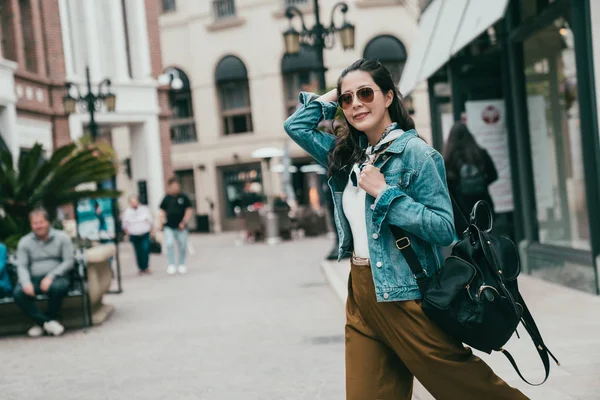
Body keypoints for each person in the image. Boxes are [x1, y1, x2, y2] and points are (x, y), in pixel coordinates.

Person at [283, 58, 527, 400]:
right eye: (347, 98)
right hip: (361, 294)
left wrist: (386, 194)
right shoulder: (348, 155)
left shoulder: (417, 154)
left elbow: (444, 229)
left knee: (470, 389)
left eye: (366, 93)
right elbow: (297, 126)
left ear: (387, 97)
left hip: (406, 294)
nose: (356, 104)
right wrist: (331, 95)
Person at [13, 208, 74, 337]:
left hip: (57, 277)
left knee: (57, 288)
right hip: (34, 278)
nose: (38, 226)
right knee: (18, 293)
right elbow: (22, 266)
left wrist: (51, 277)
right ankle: (47, 323)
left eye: (41, 222)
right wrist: (26, 283)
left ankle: (43, 323)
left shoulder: (62, 237)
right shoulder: (25, 242)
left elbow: (69, 261)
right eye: (35, 223)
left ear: (48, 223)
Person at [443, 122, 498, 235]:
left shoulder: (448, 158)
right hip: (482, 204)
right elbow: (493, 175)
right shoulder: (480, 153)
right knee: (486, 238)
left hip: (461, 208)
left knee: (467, 243)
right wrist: (480, 184)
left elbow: (447, 184)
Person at [159, 177, 193, 275]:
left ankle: (181, 264)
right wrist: (160, 223)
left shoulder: (183, 197)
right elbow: (162, 211)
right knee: (169, 244)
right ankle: (171, 264)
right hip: (169, 226)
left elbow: (189, 210)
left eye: (177, 186)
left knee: (182, 245)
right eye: (173, 186)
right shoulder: (166, 198)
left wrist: (184, 221)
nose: (175, 188)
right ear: (169, 187)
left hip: (181, 226)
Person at [122, 195, 153, 275]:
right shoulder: (127, 212)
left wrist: (152, 230)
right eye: (132, 202)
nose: (134, 204)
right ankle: (140, 268)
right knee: (138, 251)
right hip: (134, 234)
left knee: (145, 249)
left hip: (144, 232)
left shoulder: (144, 209)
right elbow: (124, 224)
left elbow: (150, 221)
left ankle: (146, 267)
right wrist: (127, 232)